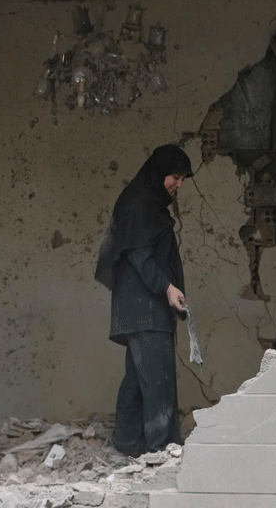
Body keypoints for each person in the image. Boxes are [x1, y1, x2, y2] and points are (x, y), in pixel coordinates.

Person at [94, 144, 193, 457]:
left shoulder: (146, 203)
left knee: (138, 379)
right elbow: (139, 255)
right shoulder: (140, 203)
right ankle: (161, 450)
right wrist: (167, 288)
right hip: (145, 307)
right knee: (158, 379)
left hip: (142, 307)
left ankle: (127, 443)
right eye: (175, 176)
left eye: (182, 178)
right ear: (159, 172)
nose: (179, 184)